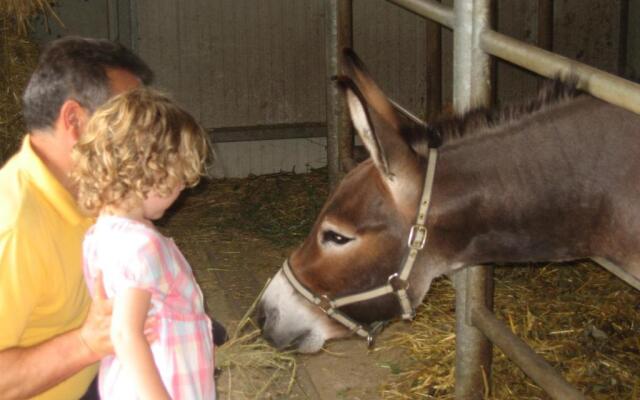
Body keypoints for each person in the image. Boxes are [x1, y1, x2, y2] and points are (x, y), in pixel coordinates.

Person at [0, 36, 153, 400]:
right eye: (128, 118)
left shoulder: (92, 186)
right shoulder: (15, 226)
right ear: (75, 120)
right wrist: (87, 343)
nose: (146, 136)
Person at [72, 88, 216, 399]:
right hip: (161, 385)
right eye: (179, 177)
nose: (182, 188)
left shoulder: (101, 234)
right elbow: (125, 333)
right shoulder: (141, 246)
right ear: (151, 171)